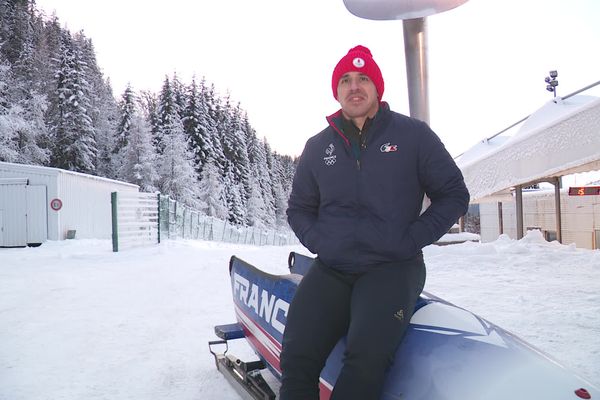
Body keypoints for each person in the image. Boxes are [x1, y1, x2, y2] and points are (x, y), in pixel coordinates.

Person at [280, 45, 470, 400]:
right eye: (346, 80)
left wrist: (411, 238)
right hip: (333, 267)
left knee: (364, 363)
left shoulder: (413, 136)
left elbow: (454, 195)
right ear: (336, 91)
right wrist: (322, 243)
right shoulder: (319, 147)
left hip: (392, 267)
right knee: (296, 357)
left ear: (377, 88)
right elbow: (299, 208)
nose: (355, 87)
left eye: (363, 78)